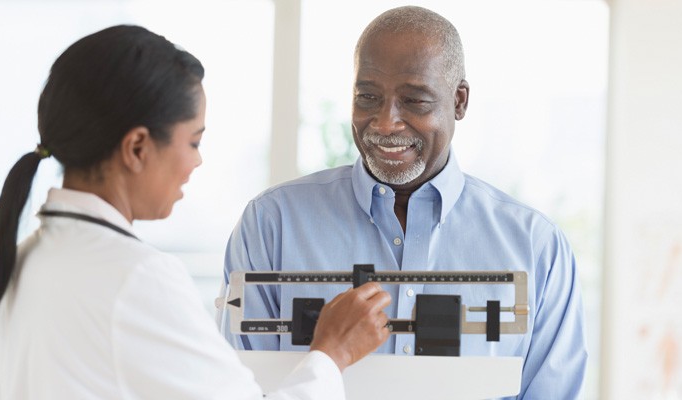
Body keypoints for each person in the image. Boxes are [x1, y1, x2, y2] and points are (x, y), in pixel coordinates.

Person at [0, 25, 391, 400]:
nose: (197, 162)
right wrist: (331, 354)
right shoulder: (136, 279)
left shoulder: (17, 264)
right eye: (192, 142)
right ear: (137, 148)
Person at [222, 6, 588, 399]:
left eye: (414, 101)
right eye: (367, 97)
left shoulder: (537, 248)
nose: (385, 123)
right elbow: (240, 389)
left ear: (460, 101)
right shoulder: (271, 225)